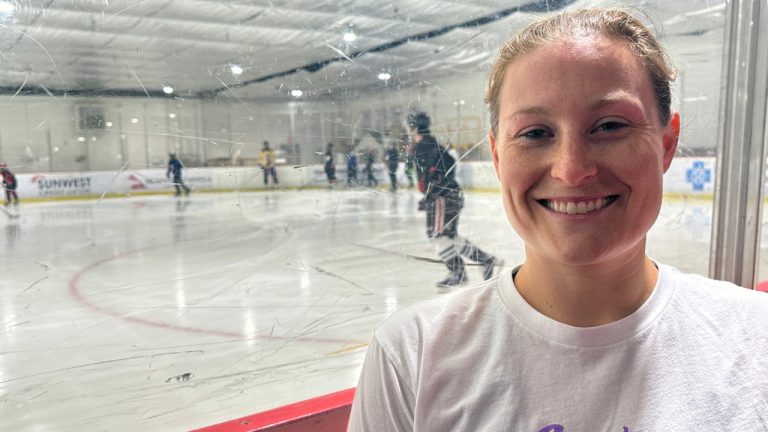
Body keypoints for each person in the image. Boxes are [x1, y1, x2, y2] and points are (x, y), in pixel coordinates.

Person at [348, 8, 768, 431]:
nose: (571, 169)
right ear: (497, 155)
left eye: (609, 126)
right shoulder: (411, 357)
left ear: (666, 144)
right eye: (534, 133)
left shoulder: (756, 337)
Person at [407, 111, 500, 288]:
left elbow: (446, 165)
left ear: (414, 127)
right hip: (444, 195)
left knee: (438, 235)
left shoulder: (425, 146)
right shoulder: (428, 144)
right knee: (447, 235)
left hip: (443, 197)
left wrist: (435, 187)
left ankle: (459, 271)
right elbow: (442, 166)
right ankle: (482, 261)